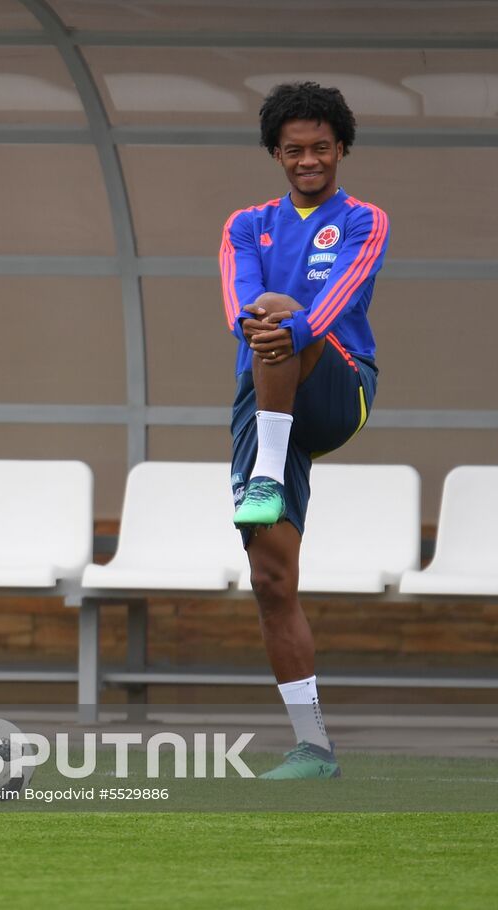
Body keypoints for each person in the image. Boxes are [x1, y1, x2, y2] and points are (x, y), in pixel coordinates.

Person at [220, 82, 387, 779]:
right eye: (295, 150)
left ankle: (267, 473)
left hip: (339, 383)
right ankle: (314, 747)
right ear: (277, 155)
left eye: (321, 147)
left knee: (283, 306)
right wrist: (260, 326)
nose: (309, 160)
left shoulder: (363, 220)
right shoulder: (246, 223)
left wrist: (294, 328)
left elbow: (338, 297)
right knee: (270, 578)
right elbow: (237, 303)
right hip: (263, 393)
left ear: (341, 147)